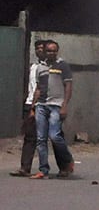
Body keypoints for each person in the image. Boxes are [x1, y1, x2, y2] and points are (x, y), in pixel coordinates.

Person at [30, 40, 75, 179]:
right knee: (41, 139)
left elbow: (68, 86)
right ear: (45, 52)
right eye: (49, 50)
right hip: (41, 106)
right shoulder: (40, 67)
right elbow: (38, 88)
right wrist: (33, 106)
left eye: (54, 50)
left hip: (56, 105)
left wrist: (65, 105)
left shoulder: (63, 65)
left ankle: (68, 160)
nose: (52, 53)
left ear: (57, 51)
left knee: (55, 136)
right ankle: (43, 170)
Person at [9, 39, 48, 177]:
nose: (39, 50)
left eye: (42, 48)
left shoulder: (51, 67)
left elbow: (43, 88)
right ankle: (25, 167)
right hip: (30, 103)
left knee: (52, 137)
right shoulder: (33, 67)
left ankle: (66, 164)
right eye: (37, 48)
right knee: (30, 136)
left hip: (44, 105)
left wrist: (35, 106)